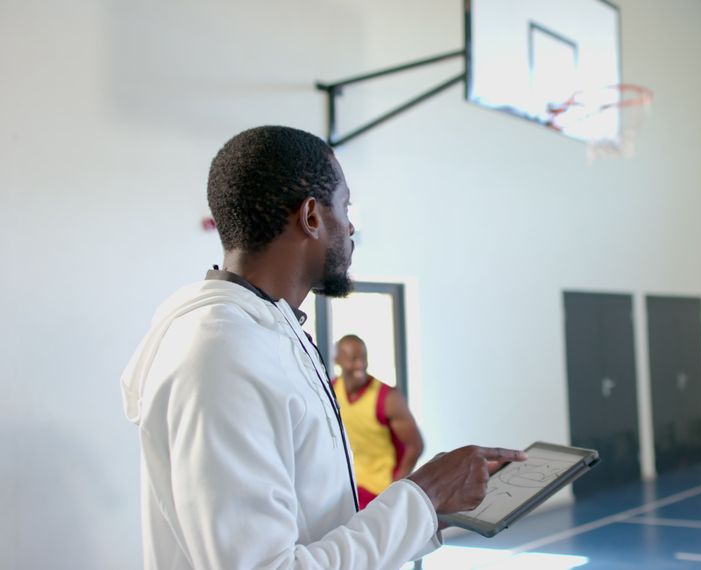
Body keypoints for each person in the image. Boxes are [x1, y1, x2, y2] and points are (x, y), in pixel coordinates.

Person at [120, 126, 525, 569]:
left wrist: (435, 504)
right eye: (344, 205)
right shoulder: (223, 355)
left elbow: (317, 528)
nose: (350, 225)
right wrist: (421, 495)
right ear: (311, 216)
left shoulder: (270, 334)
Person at [333, 334, 423, 509]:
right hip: (349, 487)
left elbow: (416, 446)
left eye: (363, 358)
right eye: (353, 359)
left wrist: (395, 490)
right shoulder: (332, 391)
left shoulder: (389, 399)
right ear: (338, 360)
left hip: (380, 492)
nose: (360, 364)